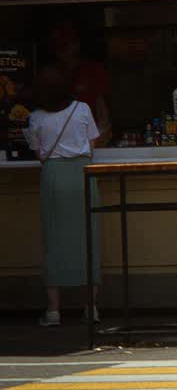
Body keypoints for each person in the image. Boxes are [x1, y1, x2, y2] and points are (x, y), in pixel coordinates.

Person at [27, 67, 101, 326]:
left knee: (53, 240)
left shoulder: (35, 117)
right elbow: (92, 143)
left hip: (54, 176)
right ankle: (91, 307)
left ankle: (53, 310)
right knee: (88, 238)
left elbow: (38, 154)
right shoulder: (82, 109)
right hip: (81, 174)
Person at [48, 21, 111, 145]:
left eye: (65, 45)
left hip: (89, 140)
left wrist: (97, 136)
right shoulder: (50, 74)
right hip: (59, 143)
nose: (62, 51)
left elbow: (102, 110)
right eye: (57, 47)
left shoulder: (92, 70)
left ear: (76, 45)